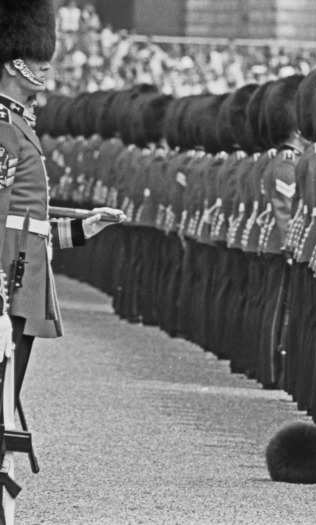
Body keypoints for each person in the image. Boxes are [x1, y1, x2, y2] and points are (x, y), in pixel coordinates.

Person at [0, 0, 124, 490]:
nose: (47, 66)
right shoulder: (4, 130)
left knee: (7, 395)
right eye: (38, 56)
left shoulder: (18, 124)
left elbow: (27, 221)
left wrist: (81, 230)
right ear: (14, 61)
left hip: (23, 274)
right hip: (8, 279)